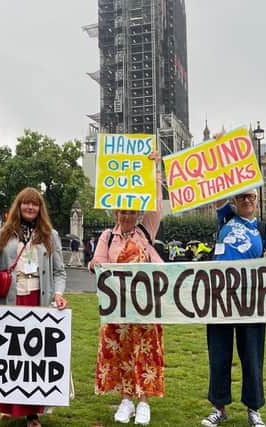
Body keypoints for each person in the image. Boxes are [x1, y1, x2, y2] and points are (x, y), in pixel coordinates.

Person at [0, 187, 67, 427]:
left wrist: (58, 294)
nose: (30, 207)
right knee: (10, 355)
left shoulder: (50, 235)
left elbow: (59, 271)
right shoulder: (4, 233)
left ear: (40, 208)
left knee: (33, 358)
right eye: (26, 203)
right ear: (19, 205)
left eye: (34, 204)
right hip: (11, 301)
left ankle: (32, 412)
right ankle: (7, 404)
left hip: (38, 301)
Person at [201, 188, 266, 427]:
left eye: (250, 196)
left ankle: (254, 409)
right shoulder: (226, 217)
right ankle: (219, 407)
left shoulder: (264, 230)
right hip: (219, 299)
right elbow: (218, 189)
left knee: (252, 356)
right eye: (241, 196)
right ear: (234, 200)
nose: (246, 200)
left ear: (257, 199)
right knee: (218, 355)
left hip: (251, 302)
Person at [88, 152, 163, 426]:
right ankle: (126, 399)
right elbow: (97, 261)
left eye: (132, 210)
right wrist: (95, 266)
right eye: (123, 211)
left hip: (144, 307)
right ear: (115, 212)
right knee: (120, 353)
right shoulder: (107, 237)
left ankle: (144, 402)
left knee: (145, 352)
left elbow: (156, 205)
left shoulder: (146, 232)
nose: (128, 215)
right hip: (118, 308)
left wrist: (154, 170)